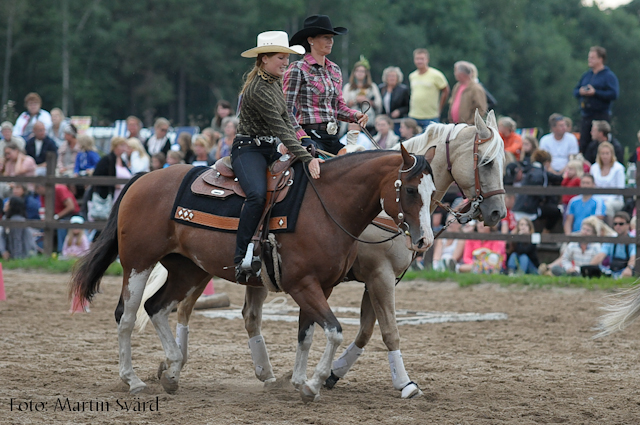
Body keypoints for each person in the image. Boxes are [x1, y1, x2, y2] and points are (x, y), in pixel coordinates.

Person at [233, 30, 322, 281]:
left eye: (287, 58)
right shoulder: (258, 89)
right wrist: (306, 157)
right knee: (257, 194)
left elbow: (288, 119)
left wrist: (305, 141)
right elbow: (280, 127)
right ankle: (240, 258)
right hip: (248, 150)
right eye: (281, 58)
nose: (286, 63)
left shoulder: (273, 84)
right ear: (264, 59)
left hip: (268, 149)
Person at [284, 15, 368, 155]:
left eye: (331, 37)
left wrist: (356, 115)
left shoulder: (334, 70)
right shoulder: (297, 69)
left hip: (332, 137)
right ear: (310, 40)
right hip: (308, 136)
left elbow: (338, 107)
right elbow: (285, 111)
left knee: (358, 163)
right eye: (325, 37)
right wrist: (301, 136)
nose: (330, 41)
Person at [573, 46, 619, 154]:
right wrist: (581, 92)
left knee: (601, 144)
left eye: (592, 58)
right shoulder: (586, 75)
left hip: (601, 115)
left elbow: (614, 94)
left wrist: (596, 93)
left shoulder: (608, 76)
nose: (589, 60)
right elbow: (575, 91)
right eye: (589, 57)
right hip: (586, 115)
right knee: (584, 144)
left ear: (600, 59)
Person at [512, 149, 562, 233]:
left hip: (523, 204)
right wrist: (543, 197)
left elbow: (553, 177)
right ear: (547, 162)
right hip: (529, 206)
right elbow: (536, 187)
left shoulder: (534, 169)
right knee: (555, 211)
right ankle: (545, 233)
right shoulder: (538, 173)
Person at [408, 48, 449, 128]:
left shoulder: (436, 75)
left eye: (422, 59)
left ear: (427, 60)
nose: (419, 61)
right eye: (417, 59)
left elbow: (446, 90)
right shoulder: (412, 76)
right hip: (414, 115)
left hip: (430, 116)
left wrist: (439, 108)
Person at [34, 183, 80, 253]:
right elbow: (44, 210)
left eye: (37, 189)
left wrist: (56, 217)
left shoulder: (60, 189)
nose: (36, 191)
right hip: (53, 216)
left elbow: (71, 207)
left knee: (61, 224)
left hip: (71, 215)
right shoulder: (43, 195)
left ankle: (61, 251)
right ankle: (41, 250)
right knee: (43, 226)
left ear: (42, 187)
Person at [342, 60, 381, 133]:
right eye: (357, 71)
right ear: (354, 73)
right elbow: (343, 104)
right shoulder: (348, 87)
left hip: (369, 120)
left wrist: (366, 100)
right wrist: (355, 101)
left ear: (366, 73)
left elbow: (378, 104)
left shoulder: (372, 87)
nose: (360, 73)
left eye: (362, 71)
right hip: (353, 120)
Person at [590, 141, 625, 221]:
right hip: (596, 198)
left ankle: (610, 230)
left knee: (607, 206)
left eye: (607, 153)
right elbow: (591, 186)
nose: (605, 156)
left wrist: (605, 200)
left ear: (612, 154)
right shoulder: (594, 168)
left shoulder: (619, 168)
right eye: (602, 153)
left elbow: (620, 190)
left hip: (615, 200)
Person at [92, 136, 132, 207]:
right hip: (109, 195)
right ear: (115, 146)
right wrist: (113, 184)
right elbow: (98, 175)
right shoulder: (107, 160)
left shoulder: (123, 161)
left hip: (122, 194)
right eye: (121, 145)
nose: (124, 148)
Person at [447, 61, 487, 125]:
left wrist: (470, 122)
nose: (455, 74)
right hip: (455, 125)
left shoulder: (476, 88)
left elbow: (481, 109)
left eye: (456, 71)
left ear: (462, 73)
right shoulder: (457, 86)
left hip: (468, 127)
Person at [378, 66, 410, 134]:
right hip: (385, 120)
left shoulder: (403, 90)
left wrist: (399, 111)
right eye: (389, 76)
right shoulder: (382, 88)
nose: (391, 78)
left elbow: (408, 106)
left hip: (398, 121)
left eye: (394, 76)